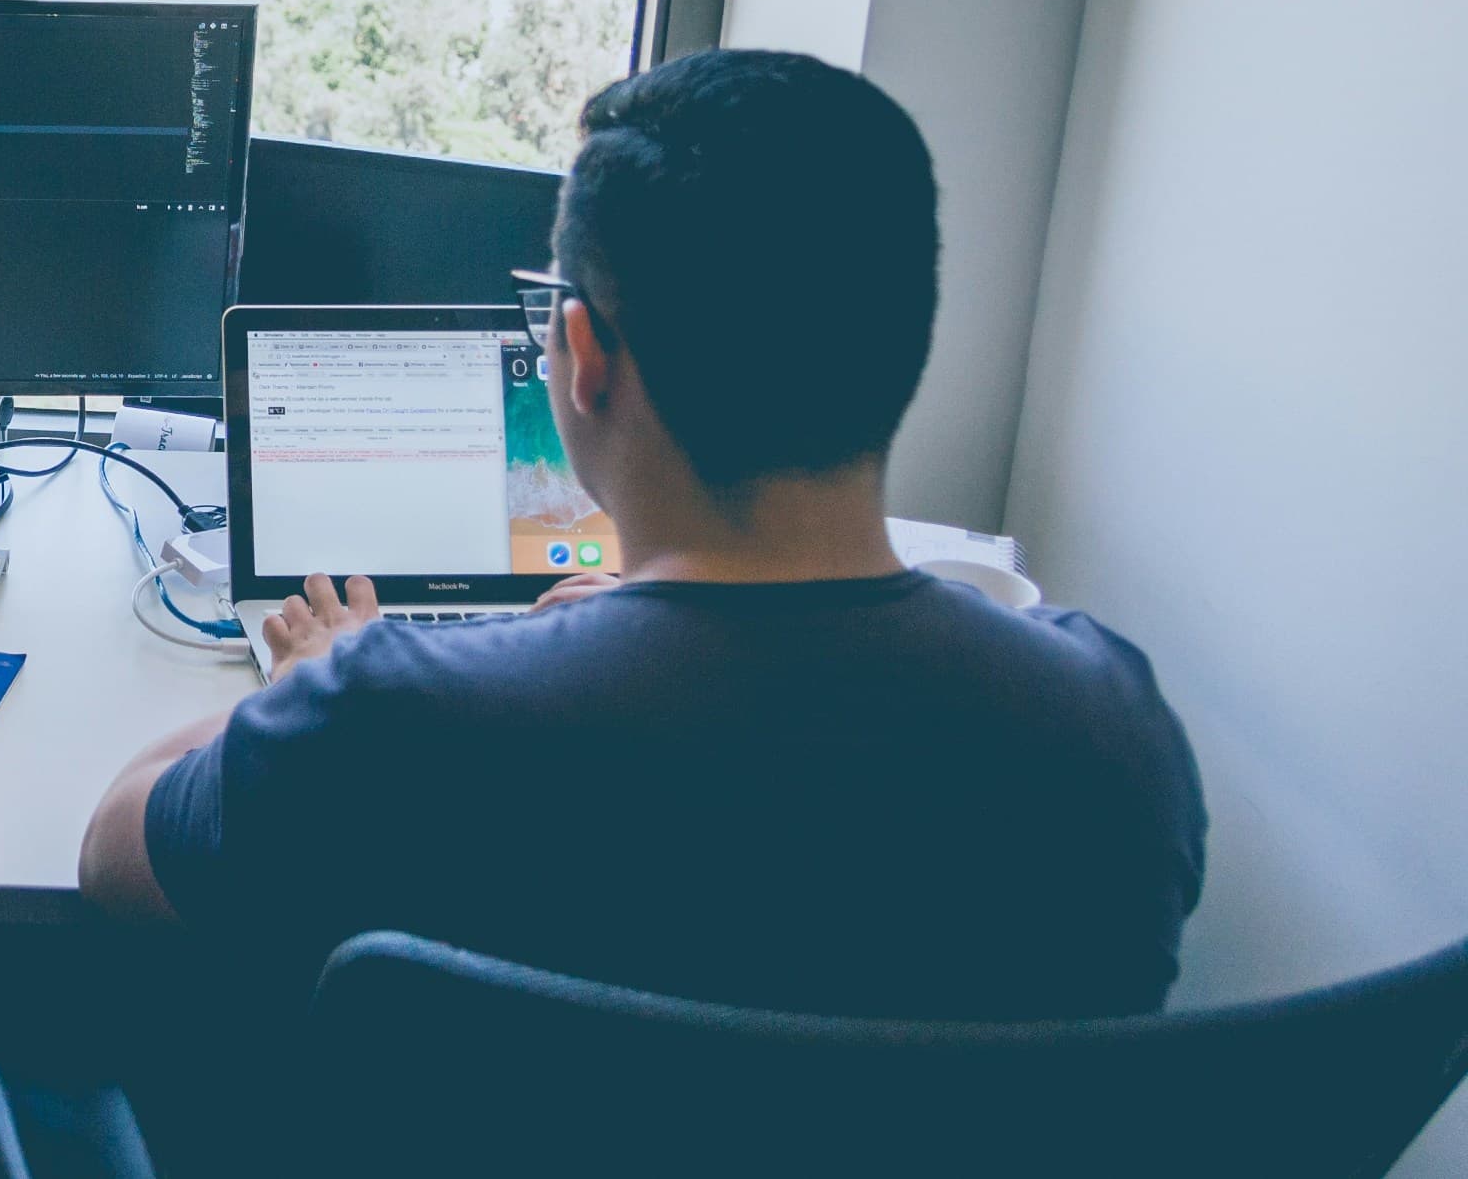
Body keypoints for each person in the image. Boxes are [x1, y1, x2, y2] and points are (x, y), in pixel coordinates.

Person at [79, 49, 1205, 1028]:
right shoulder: (1115, 735)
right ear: (907, 337)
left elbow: (114, 849)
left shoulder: (385, 719)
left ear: (585, 355)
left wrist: (309, 683)